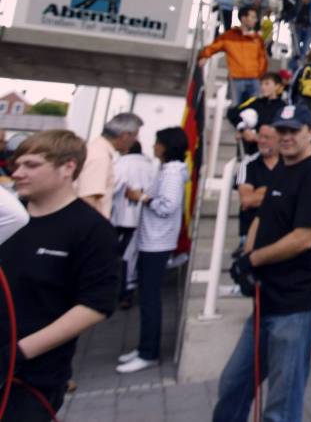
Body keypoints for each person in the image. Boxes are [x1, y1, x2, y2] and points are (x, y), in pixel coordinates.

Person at [213, 105, 311, 422]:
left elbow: (303, 239)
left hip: (298, 304)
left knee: (280, 407)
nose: (287, 136)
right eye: (282, 130)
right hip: (269, 297)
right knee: (233, 386)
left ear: (310, 132)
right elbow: (262, 216)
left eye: (294, 130)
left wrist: (254, 259)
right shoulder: (281, 167)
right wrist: (246, 258)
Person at [1, 130, 119, 420]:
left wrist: (16, 353)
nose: (18, 173)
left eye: (31, 165)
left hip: (31, 379)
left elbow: (95, 305)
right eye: (16, 165)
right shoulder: (8, 218)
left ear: (68, 167)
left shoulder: (91, 229)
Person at [116, 127, 188, 374]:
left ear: (167, 146)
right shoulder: (167, 171)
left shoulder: (172, 174)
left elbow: (167, 206)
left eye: (158, 142)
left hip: (158, 241)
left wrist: (142, 197)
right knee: (147, 297)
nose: (154, 146)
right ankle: (144, 348)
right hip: (153, 239)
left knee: (149, 299)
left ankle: (149, 352)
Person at [110, 141, 157, 309]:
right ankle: (126, 292)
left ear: (126, 148)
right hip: (144, 217)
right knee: (131, 255)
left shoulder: (122, 164)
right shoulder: (150, 165)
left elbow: (111, 186)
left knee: (119, 256)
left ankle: (120, 292)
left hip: (121, 218)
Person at [77, 112, 143, 218]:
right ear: (125, 136)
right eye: (135, 136)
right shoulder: (100, 157)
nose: (136, 140)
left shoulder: (98, 151)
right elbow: (88, 199)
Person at [198, 6, 268, 106]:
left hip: (254, 79)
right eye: (252, 17)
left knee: (255, 109)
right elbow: (213, 47)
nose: (255, 20)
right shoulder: (229, 36)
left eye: (255, 18)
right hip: (236, 79)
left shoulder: (258, 39)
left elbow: (263, 58)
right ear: (243, 18)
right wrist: (204, 56)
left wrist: (259, 74)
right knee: (235, 108)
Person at [234, 125, 280, 256]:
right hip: (251, 235)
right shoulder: (247, 164)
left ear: (279, 140)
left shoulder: (290, 163)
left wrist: (261, 191)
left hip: (282, 231)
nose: (262, 141)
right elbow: (247, 201)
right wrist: (279, 191)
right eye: (260, 136)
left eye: (267, 137)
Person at [227, 71, 286, 156]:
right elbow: (232, 112)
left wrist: (257, 137)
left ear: (277, 86)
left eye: (267, 84)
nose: (263, 87)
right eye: (261, 84)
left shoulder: (284, 107)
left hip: (272, 153)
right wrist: (243, 129)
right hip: (251, 152)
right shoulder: (255, 102)